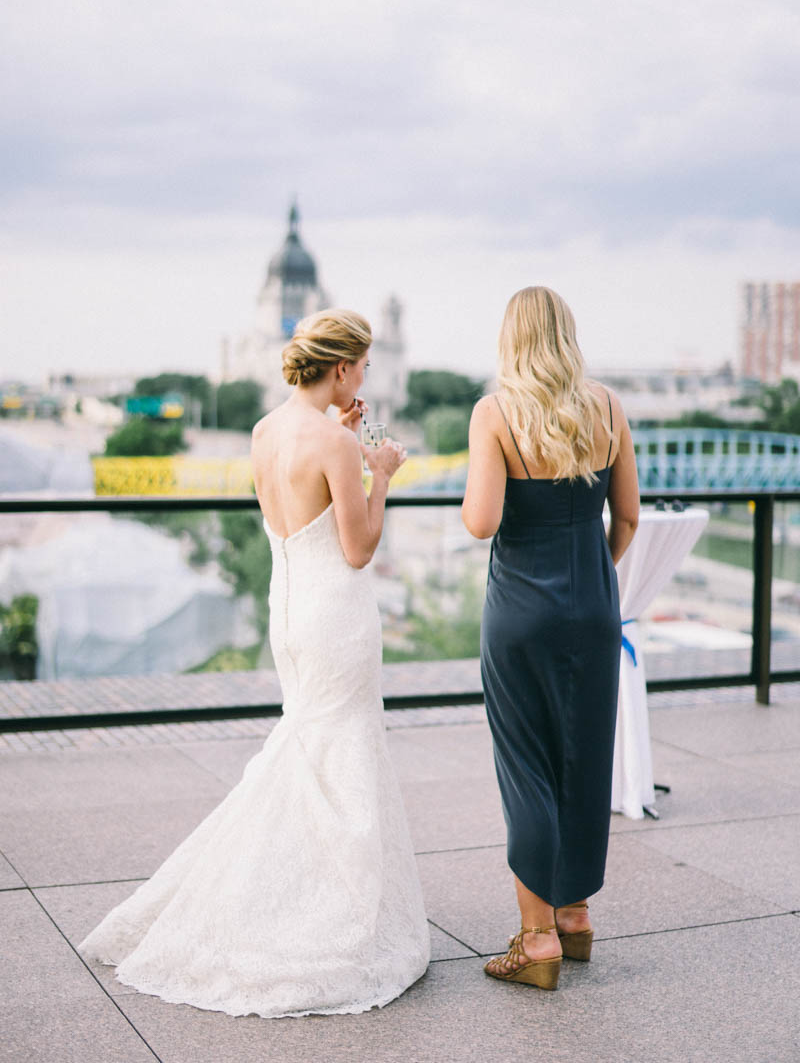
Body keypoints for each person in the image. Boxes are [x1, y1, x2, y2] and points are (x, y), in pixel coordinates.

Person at [79, 308, 430, 1017]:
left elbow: (296, 515)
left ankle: (290, 889)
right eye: (359, 367)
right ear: (339, 368)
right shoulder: (333, 442)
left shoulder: (265, 431)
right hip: (336, 610)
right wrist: (381, 470)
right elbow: (359, 547)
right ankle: (333, 909)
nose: (364, 378)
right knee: (342, 750)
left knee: (306, 746)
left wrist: (357, 434)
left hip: (290, 607)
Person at [461, 286, 639, 991]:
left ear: (511, 340)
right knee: (583, 758)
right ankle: (574, 917)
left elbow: (480, 521)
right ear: (567, 335)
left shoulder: (495, 413)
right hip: (593, 609)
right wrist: (592, 581)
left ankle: (535, 941)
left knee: (527, 768)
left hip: (519, 614)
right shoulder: (608, 408)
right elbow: (626, 518)